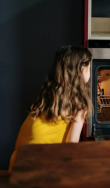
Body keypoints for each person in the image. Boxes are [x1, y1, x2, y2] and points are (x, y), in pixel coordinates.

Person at [8, 45, 93, 173]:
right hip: (45, 163)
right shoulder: (79, 104)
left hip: (20, 160)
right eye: (90, 68)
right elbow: (72, 143)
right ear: (82, 70)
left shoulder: (47, 92)